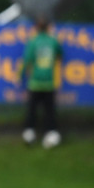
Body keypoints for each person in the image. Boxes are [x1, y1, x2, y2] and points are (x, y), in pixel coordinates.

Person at [18, 18, 63, 149]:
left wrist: (20, 76)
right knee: (49, 111)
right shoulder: (53, 41)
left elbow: (26, 60)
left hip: (35, 82)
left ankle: (29, 134)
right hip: (49, 83)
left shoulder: (33, 41)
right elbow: (60, 54)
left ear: (36, 28)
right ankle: (51, 135)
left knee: (32, 110)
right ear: (48, 27)